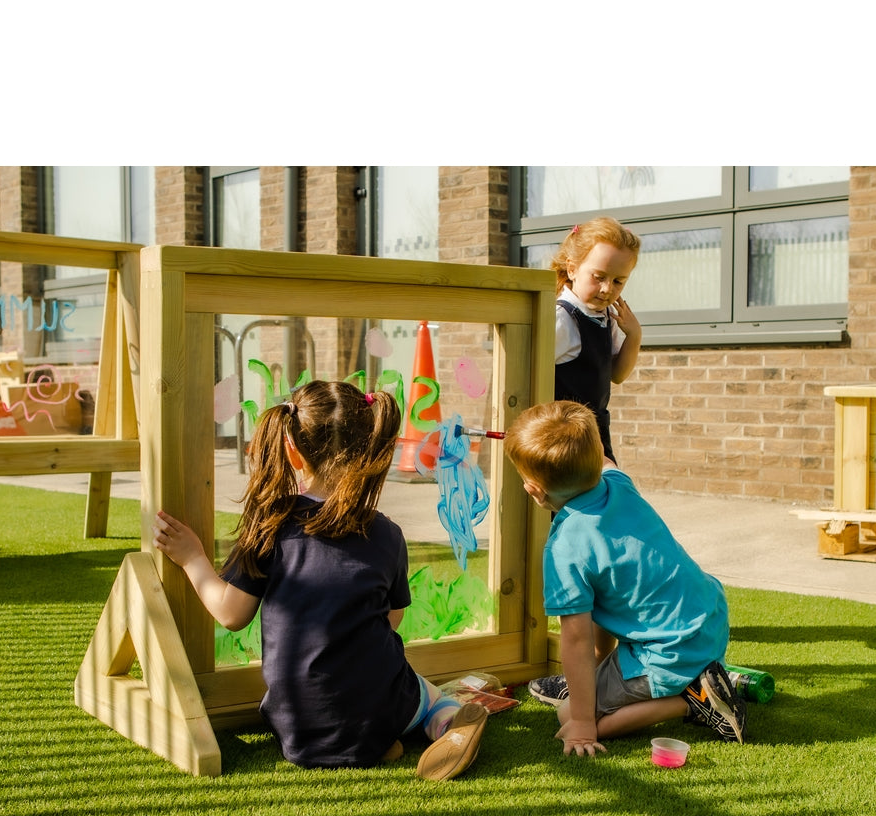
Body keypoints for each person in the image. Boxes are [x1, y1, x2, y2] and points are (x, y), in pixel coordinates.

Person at [152, 380, 487, 781]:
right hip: (379, 708)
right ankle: (446, 722)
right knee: (426, 693)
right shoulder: (387, 533)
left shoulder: (270, 525)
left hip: (297, 732)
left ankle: (378, 742)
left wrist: (192, 558)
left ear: (291, 449)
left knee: (371, 690)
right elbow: (393, 618)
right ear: (368, 449)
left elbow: (230, 614)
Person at [503, 399, 746, 757]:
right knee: (590, 686)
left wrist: (583, 721)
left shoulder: (564, 548)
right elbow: (603, 460)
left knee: (568, 714)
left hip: (668, 651)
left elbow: (576, 639)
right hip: (708, 618)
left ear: (534, 490)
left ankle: (694, 701)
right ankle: (699, 679)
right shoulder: (618, 484)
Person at [550, 216, 643, 464]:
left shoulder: (604, 316)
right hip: (563, 439)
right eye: (599, 276)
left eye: (618, 281)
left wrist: (634, 335)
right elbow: (528, 376)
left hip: (595, 433)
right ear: (572, 269)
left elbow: (617, 374)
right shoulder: (562, 319)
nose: (607, 289)